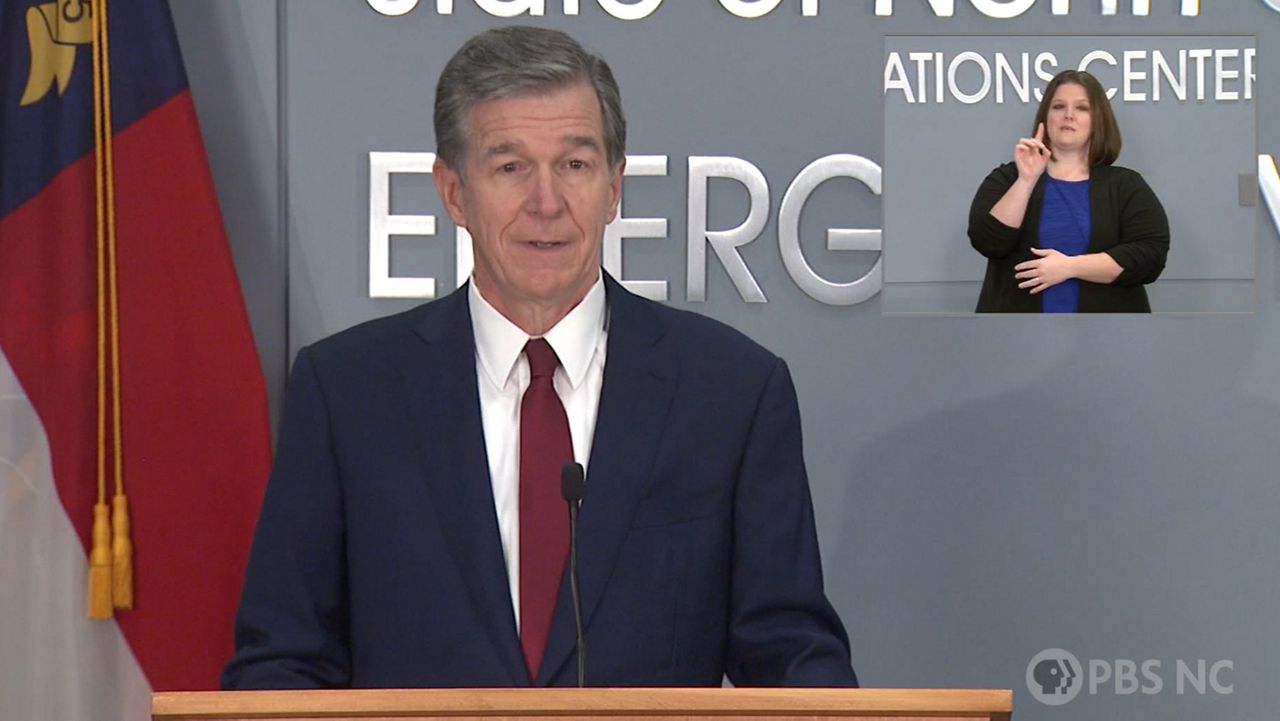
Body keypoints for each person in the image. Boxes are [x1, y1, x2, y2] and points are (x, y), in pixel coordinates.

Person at [221, 26, 856, 690]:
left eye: (574, 165)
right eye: (510, 167)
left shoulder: (730, 393)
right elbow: (283, 662)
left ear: (614, 187)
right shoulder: (347, 394)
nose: (547, 203)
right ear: (453, 192)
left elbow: (791, 654)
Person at [968, 69, 1170, 313]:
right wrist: (1026, 180)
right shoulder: (1008, 178)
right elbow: (987, 241)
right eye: (1058, 106)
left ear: (1098, 120)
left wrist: (1069, 267)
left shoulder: (1126, 185)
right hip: (1016, 331)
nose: (1068, 115)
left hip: (1108, 332)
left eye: (1082, 108)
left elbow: (1150, 256)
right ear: (1045, 117)